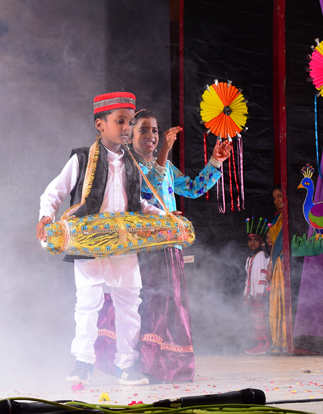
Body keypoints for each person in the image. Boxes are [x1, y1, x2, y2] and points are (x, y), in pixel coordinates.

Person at [36, 93, 164, 386]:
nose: (126, 128)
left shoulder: (132, 162)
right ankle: (83, 364)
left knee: (129, 306)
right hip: (89, 242)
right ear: (100, 124)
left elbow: (138, 203)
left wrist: (162, 215)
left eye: (129, 122)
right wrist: (46, 216)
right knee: (87, 305)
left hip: (124, 244)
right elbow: (54, 192)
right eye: (120, 121)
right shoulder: (82, 158)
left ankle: (126, 366)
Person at [95, 109, 231, 382]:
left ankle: (162, 364)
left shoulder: (166, 167)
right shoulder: (128, 165)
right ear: (130, 135)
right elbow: (146, 195)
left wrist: (215, 161)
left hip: (169, 247)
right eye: (143, 130)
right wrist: (165, 152)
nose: (151, 135)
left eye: (155, 130)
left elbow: (192, 188)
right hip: (143, 248)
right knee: (146, 305)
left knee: (168, 306)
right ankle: (135, 363)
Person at [267, 184, 287, 355]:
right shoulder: (277, 219)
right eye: (274, 198)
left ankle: (285, 342)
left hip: (282, 263)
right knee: (275, 303)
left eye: (279, 196)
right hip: (275, 263)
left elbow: (281, 243)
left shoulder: (288, 217)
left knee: (283, 302)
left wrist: (272, 264)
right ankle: (276, 342)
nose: (277, 201)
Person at [243, 227, 269, 354]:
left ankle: (266, 344)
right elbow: (248, 278)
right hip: (252, 295)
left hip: (260, 295)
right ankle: (260, 344)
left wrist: (259, 293)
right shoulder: (250, 258)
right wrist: (246, 295)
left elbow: (263, 274)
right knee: (255, 320)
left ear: (261, 242)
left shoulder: (262, 256)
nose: (252, 243)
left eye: (255, 240)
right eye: (250, 240)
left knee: (262, 319)